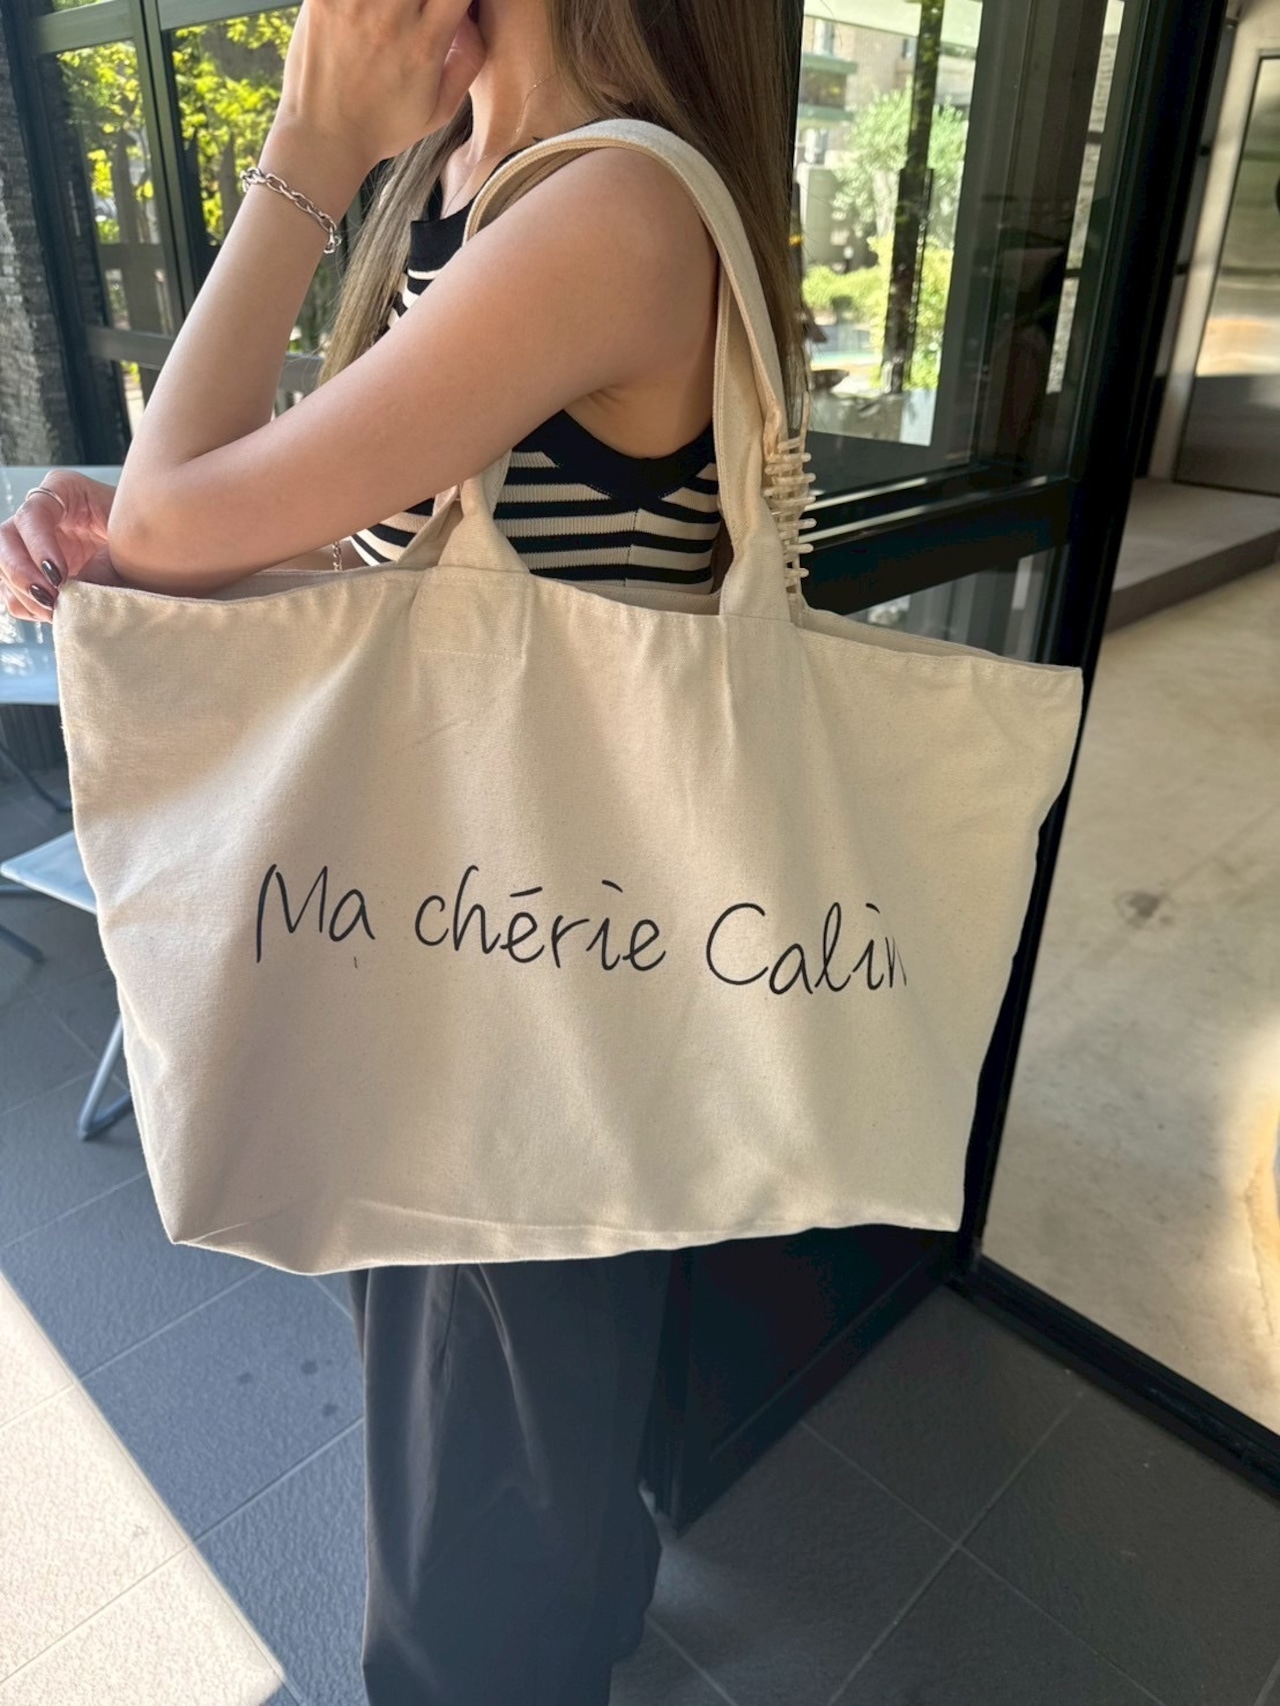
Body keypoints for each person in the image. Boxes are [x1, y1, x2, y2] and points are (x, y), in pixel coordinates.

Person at [0, 0, 809, 1698]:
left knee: (467, 1555)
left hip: (518, 1016)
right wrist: (151, 539)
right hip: (474, 959)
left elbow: (182, 512)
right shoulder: (472, 185)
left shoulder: (608, 211)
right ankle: (581, 1614)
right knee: (515, 1454)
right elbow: (382, 570)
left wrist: (305, 148)